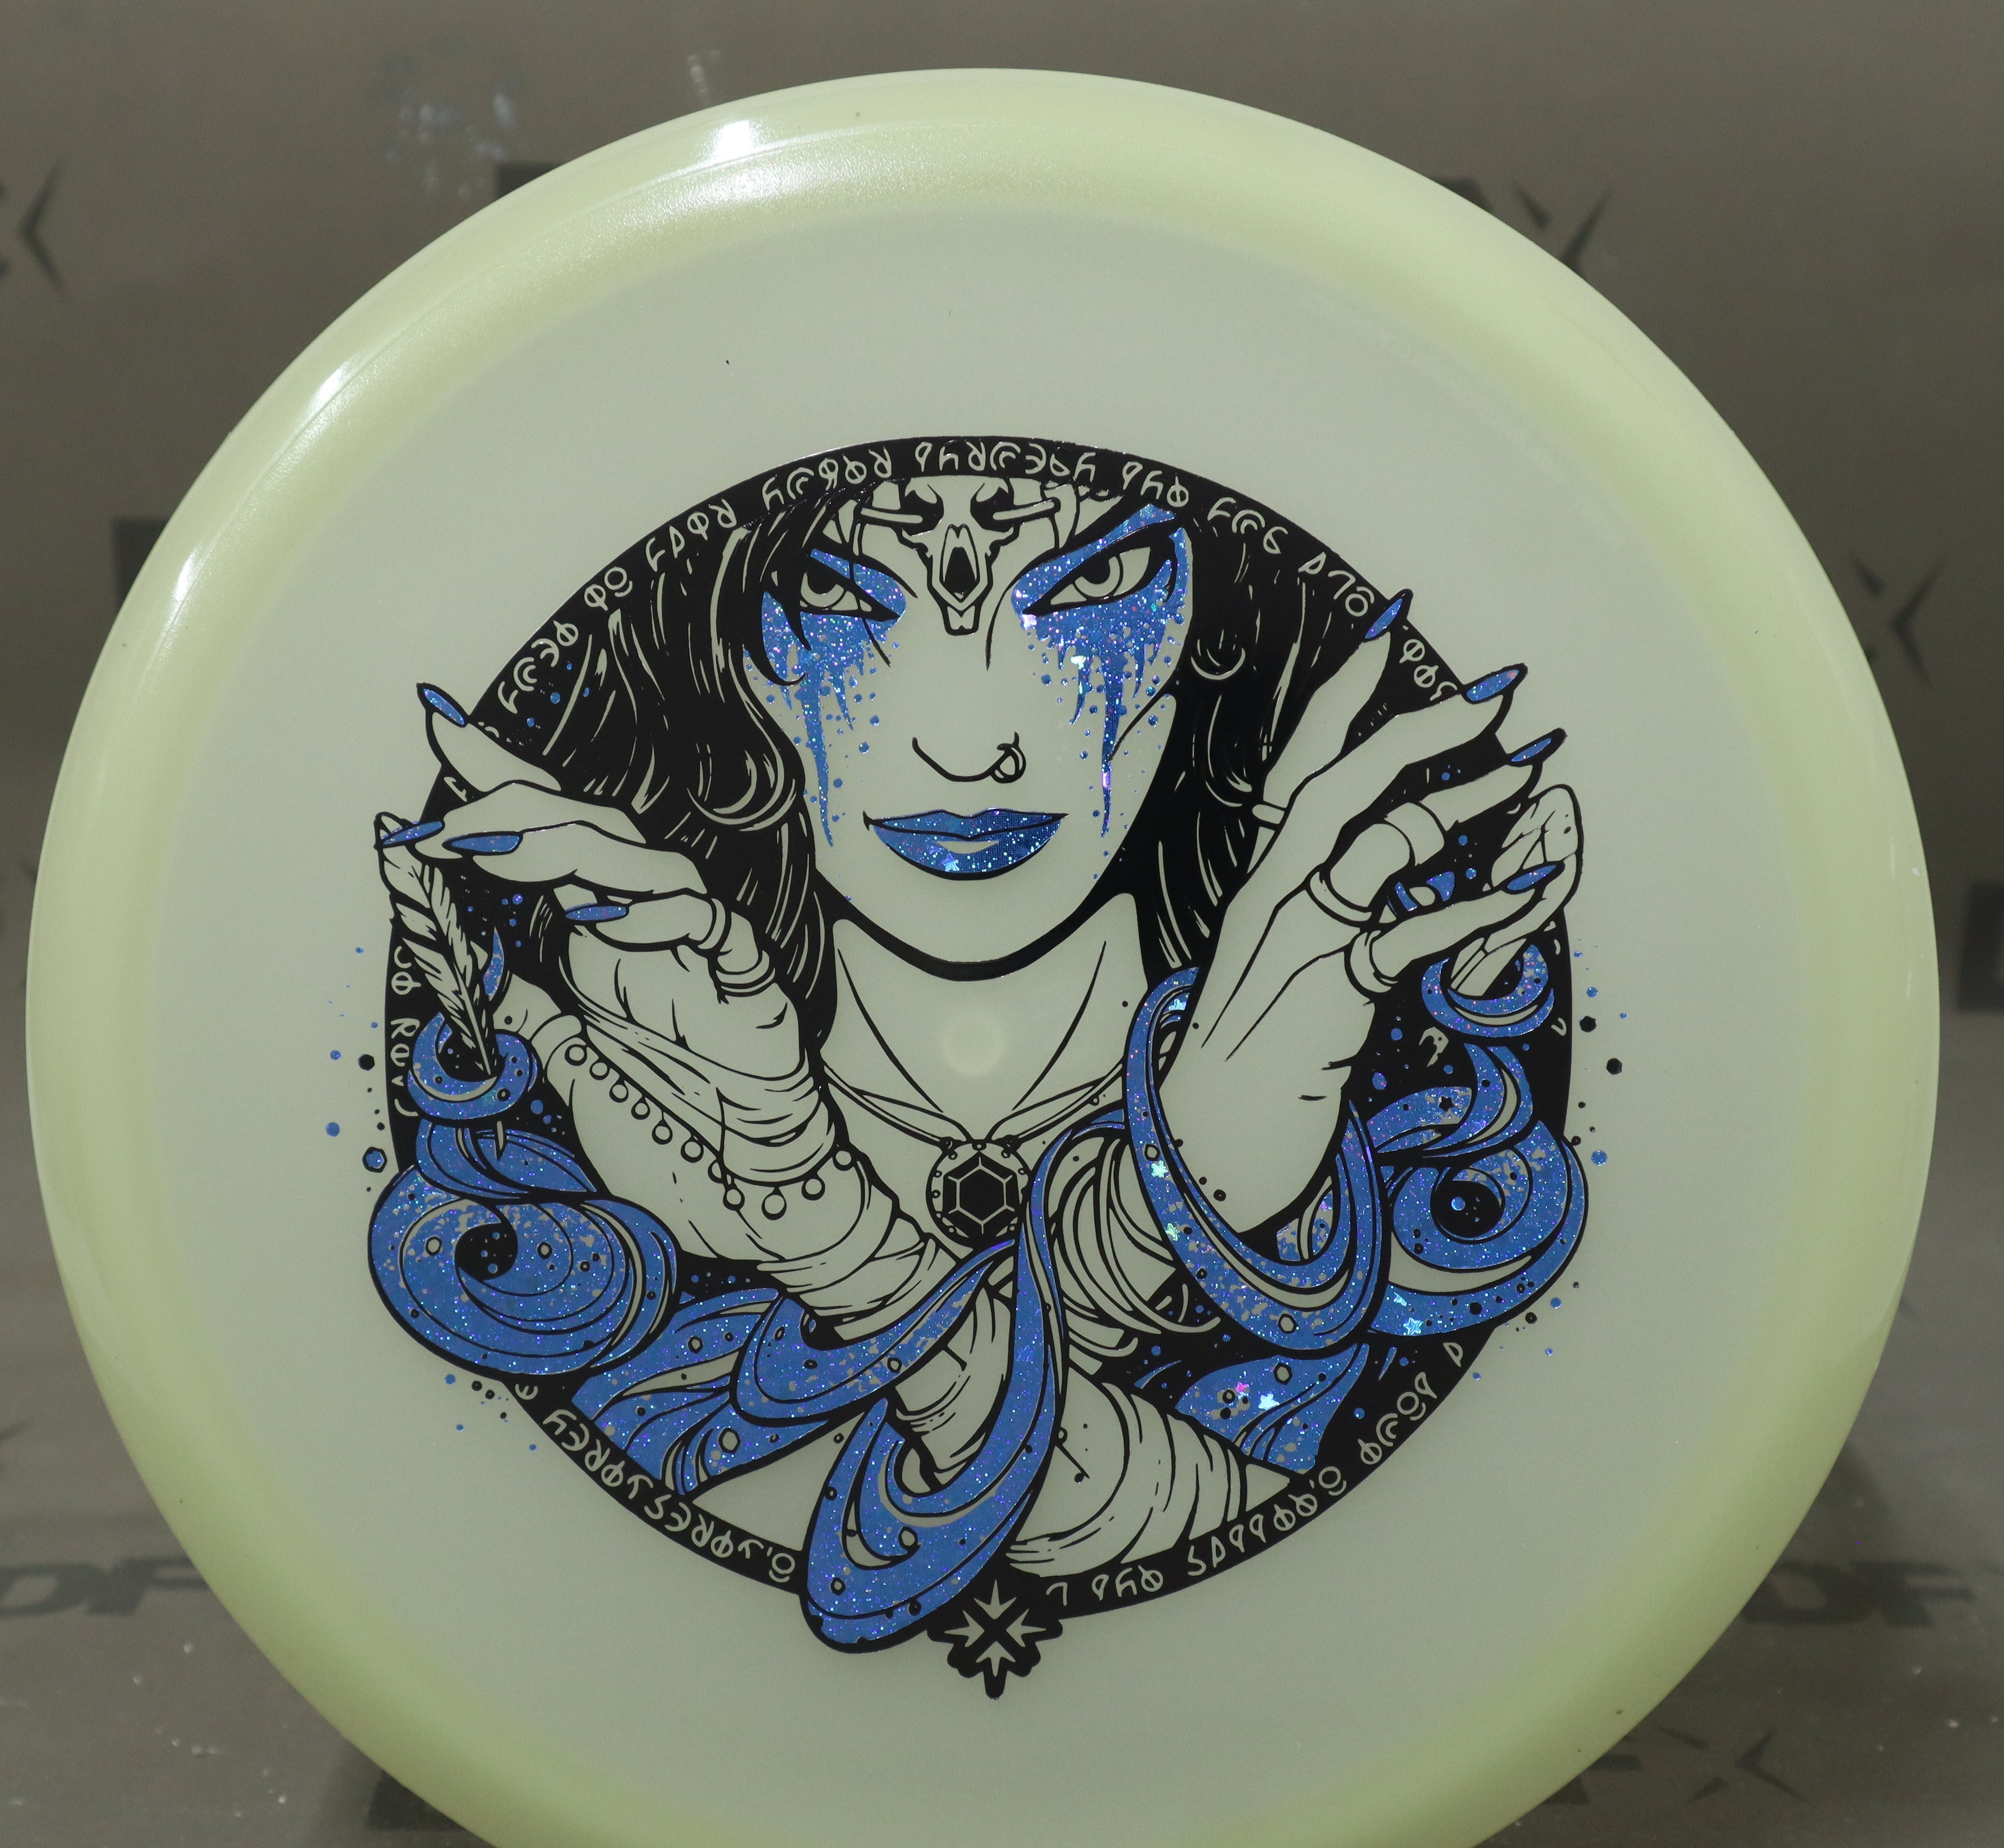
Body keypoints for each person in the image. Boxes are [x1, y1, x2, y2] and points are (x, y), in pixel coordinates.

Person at [368, 437, 1585, 1678]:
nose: (968, 746)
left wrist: (820, 1223)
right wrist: (1162, 1203)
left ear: (1196, 648)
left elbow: (1348, 1625)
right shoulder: (633, 1125)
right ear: (746, 663)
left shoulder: (1385, 1176)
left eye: (1090, 586)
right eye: (842, 594)